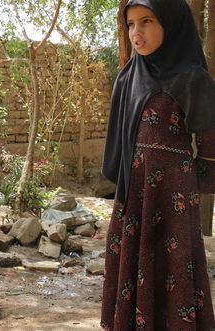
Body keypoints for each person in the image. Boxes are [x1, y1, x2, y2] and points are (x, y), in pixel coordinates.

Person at [101, 0, 215, 329]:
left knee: (173, 277)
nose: (137, 32)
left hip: (174, 204)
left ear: (170, 21)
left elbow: (209, 149)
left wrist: (186, 188)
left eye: (147, 21)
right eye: (131, 24)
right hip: (133, 199)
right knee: (132, 275)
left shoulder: (194, 80)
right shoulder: (127, 78)